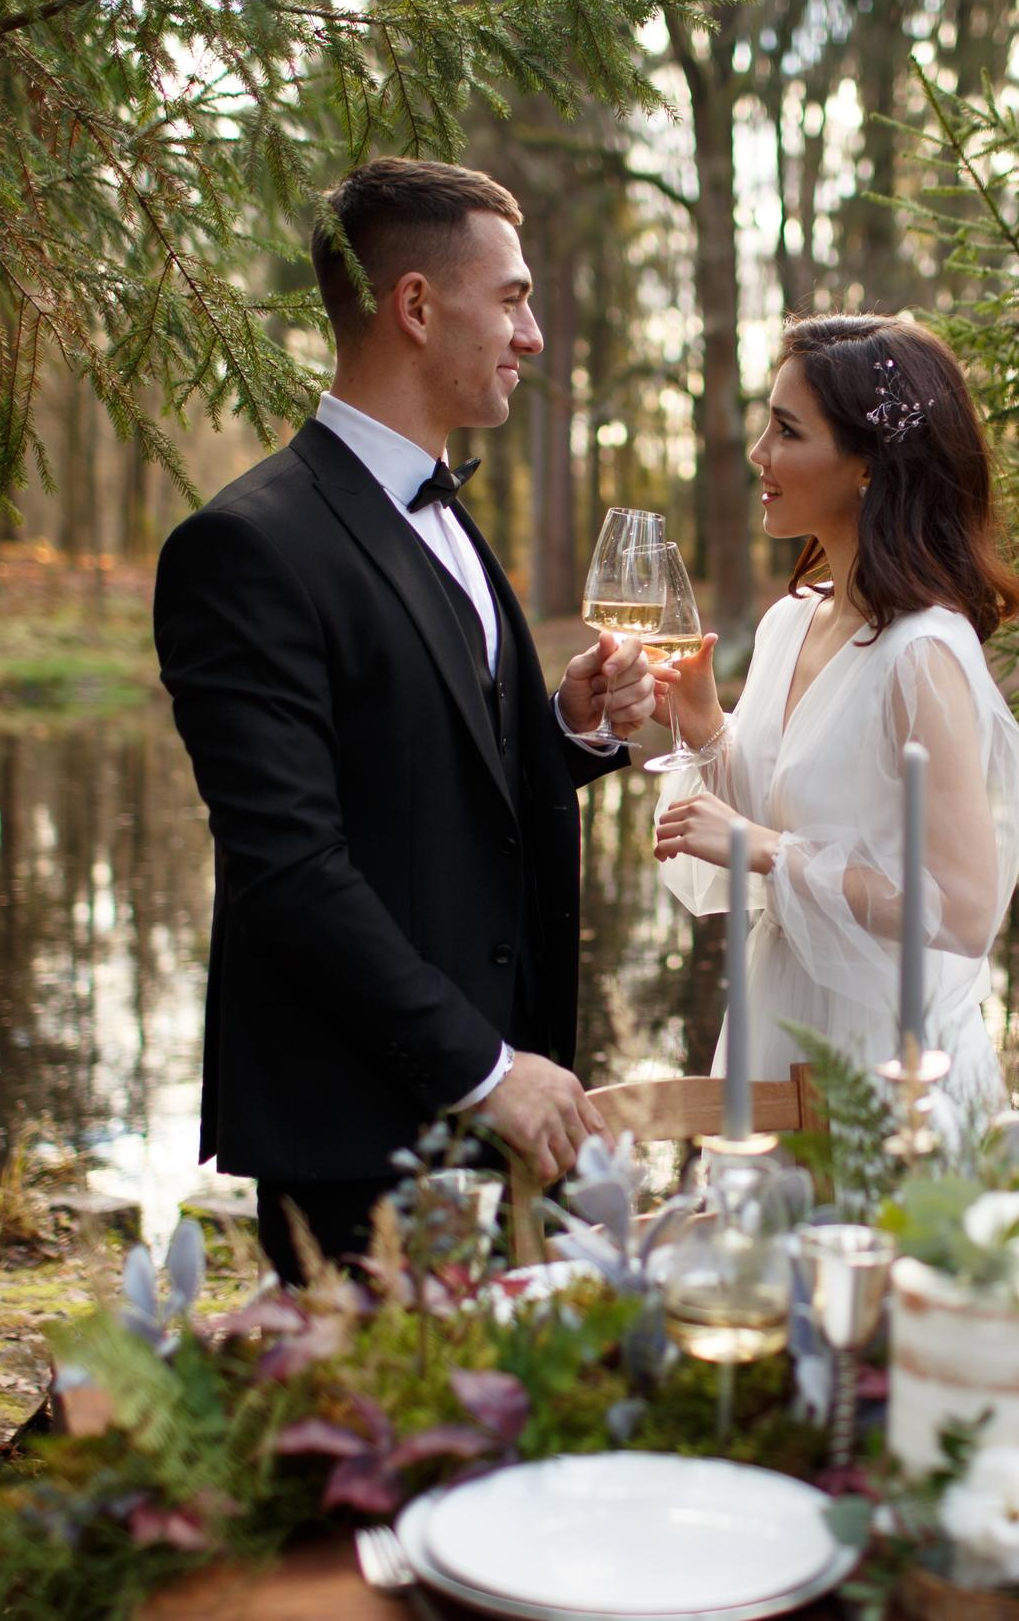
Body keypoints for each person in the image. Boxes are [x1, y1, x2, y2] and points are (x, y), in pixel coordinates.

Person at [153, 158, 655, 1285]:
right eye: (513, 300)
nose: (532, 336)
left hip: (502, 1102)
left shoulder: (445, 513)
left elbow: (434, 776)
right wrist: (486, 1072)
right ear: (417, 306)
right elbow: (289, 868)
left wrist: (564, 730)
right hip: (358, 1127)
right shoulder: (245, 548)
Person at [651, 314, 1019, 1112]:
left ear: (867, 464)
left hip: (887, 1047)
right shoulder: (791, 622)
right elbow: (776, 813)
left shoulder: (923, 653)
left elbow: (964, 910)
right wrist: (706, 725)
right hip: (779, 1010)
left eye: (787, 431)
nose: (759, 453)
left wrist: (764, 850)